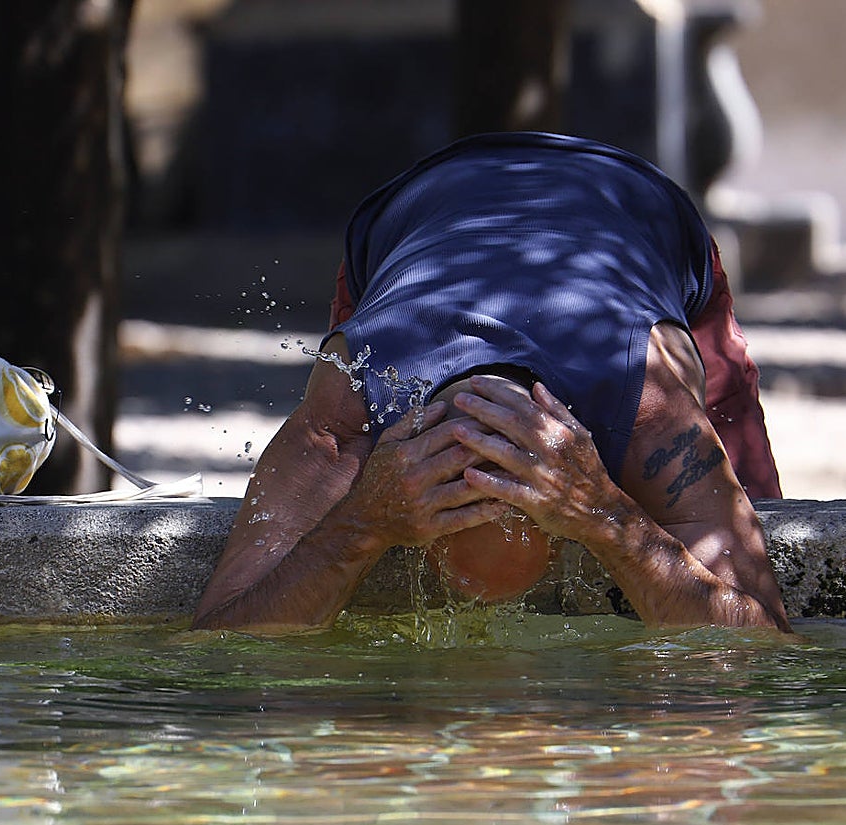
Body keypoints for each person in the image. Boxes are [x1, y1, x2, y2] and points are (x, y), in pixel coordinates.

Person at [192, 132, 791, 634]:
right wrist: (358, 524)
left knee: (759, 511)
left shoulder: (650, 407)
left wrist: (606, 518)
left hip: (636, 202)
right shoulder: (349, 406)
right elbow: (218, 637)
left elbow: (763, 641)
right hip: (418, 209)